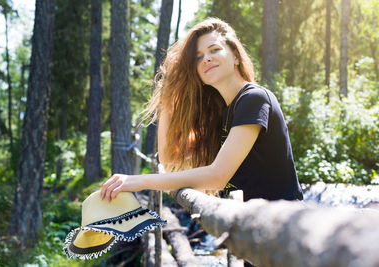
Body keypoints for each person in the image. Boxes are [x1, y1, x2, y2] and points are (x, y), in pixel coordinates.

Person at [100, 18, 303, 203]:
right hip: (253, 232)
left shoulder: (254, 99)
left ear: (236, 57)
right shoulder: (224, 113)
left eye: (214, 50)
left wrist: (139, 181)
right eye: (198, 57)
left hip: (284, 230)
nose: (206, 58)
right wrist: (169, 94)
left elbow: (218, 176)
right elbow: (169, 159)